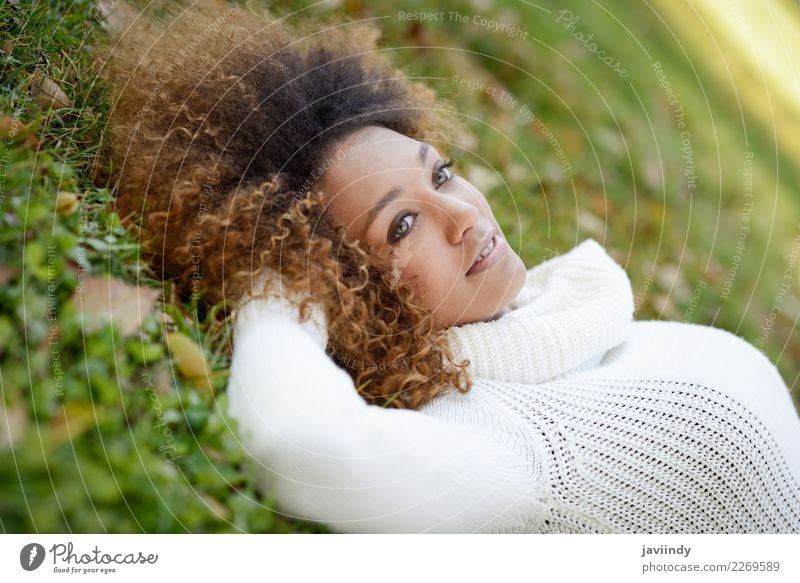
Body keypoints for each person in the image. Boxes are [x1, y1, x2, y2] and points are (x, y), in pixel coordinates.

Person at [100, 2, 800, 533]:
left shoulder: (547, 330)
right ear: (342, 288)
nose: (463, 214)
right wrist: (278, 280)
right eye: (402, 225)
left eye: (441, 174)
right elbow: (295, 440)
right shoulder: (512, 448)